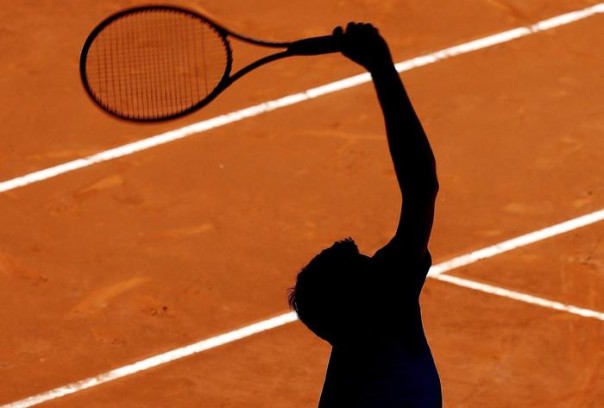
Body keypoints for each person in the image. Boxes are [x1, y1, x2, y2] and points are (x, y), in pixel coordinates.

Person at [288, 22, 442, 407]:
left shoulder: (360, 336)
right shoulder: (389, 309)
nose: (380, 260)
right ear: (362, 304)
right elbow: (421, 184)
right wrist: (380, 67)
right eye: (368, 266)